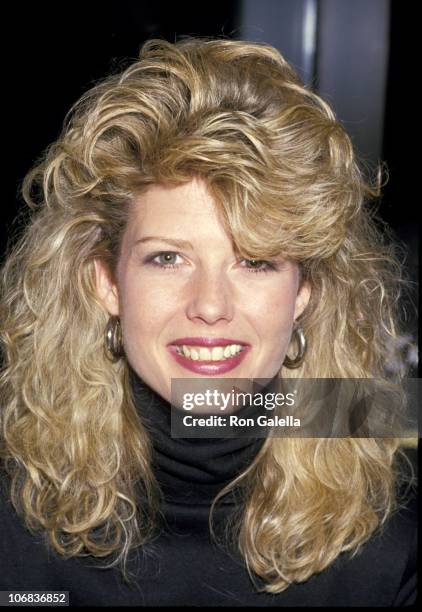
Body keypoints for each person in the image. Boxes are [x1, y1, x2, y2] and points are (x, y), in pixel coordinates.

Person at [0, 37, 416, 606]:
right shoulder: (12, 506)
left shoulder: (392, 520)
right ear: (107, 282)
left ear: (304, 293)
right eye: (168, 258)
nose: (211, 304)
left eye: (255, 262)